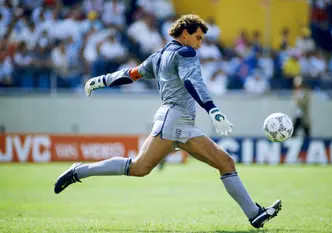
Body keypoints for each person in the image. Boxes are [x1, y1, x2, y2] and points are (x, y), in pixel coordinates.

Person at [54, 14, 281, 229]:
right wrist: (213, 110)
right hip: (173, 121)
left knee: (226, 163)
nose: (200, 44)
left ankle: (254, 214)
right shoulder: (186, 54)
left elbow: (131, 74)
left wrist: (103, 80)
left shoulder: (160, 55)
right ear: (184, 34)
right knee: (139, 168)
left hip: (182, 123)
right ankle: (79, 171)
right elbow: (192, 82)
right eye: (198, 37)